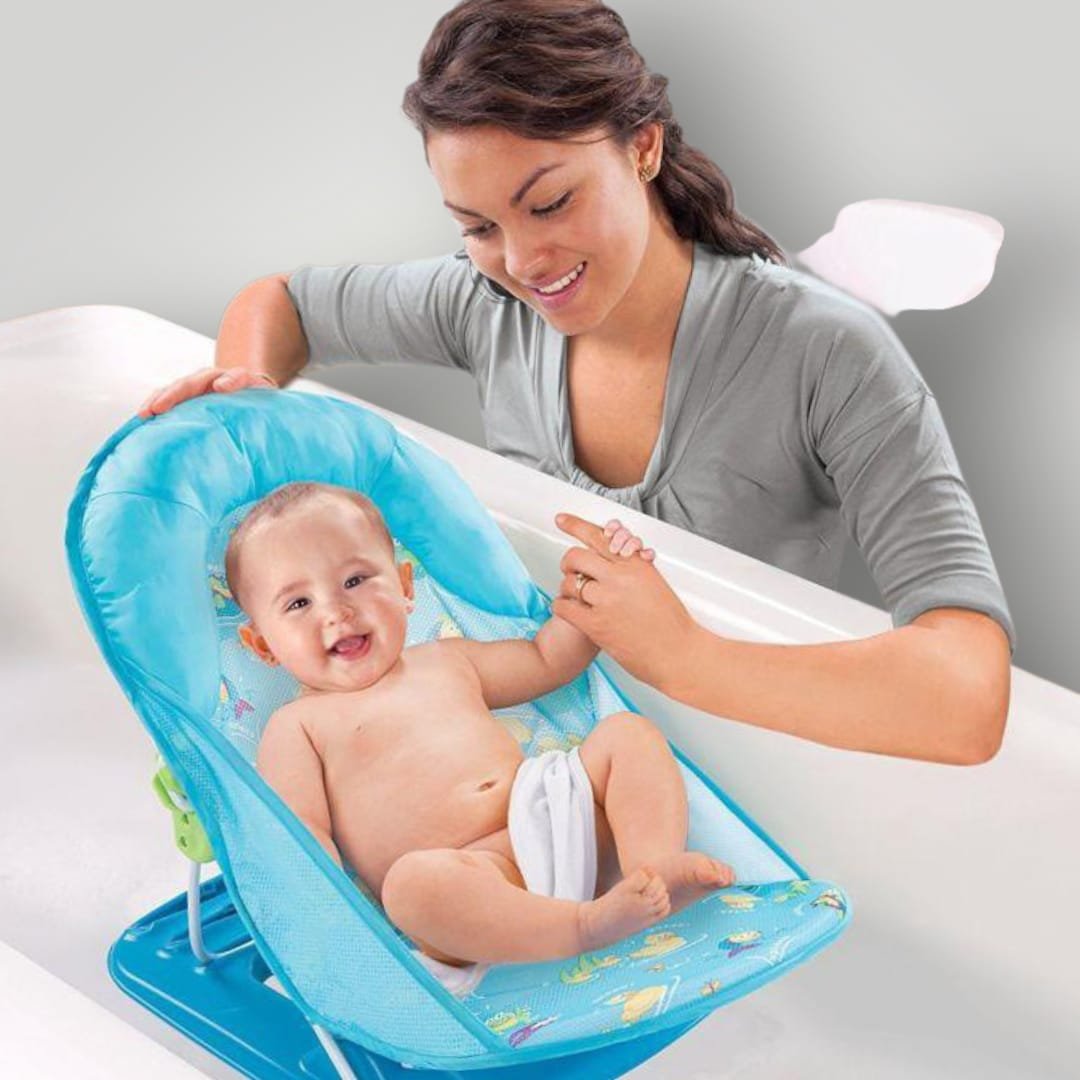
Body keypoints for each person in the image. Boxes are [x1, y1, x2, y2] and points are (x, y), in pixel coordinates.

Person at [140, 0, 1013, 767]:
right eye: (479, 226)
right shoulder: (486, 302)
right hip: (551, 744)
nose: (523, 262)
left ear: (644, 146)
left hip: (760, 762)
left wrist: (686, 658)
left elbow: (970, 693)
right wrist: (246, 401)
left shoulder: (828, 354)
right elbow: (284, 302)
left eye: (550, 203)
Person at [226, 481, 735, 966]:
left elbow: (546, 660)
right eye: (299, 603)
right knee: (410, 887)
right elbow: (301, 837)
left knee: (627, 735)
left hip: (555, 818)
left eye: (355, 581)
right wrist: (329, 928)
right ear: (263, 645)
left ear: (404, 587)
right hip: (473, 880)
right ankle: (582, 926)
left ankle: (653, 871)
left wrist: (595, 592)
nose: (336, 611)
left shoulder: (445, 659)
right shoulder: (296, 727)